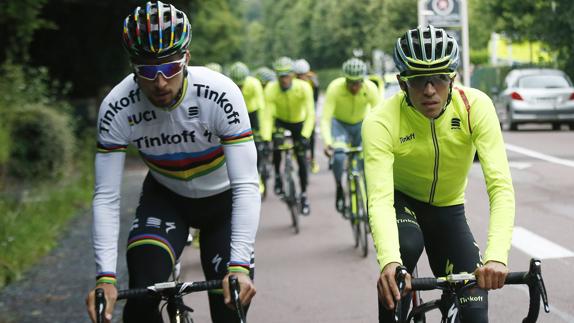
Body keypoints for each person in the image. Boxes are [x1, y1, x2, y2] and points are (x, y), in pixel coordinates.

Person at [85, 2, 260, 323]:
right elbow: (106, 197)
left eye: (171, 67)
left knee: (230, 305)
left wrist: (238, 266)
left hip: (223, 205)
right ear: (133, 68)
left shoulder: (220, 93)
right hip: (166, 200)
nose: (161, 82)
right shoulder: (117, 107)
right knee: (141, 298)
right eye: (147, 71)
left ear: (187, 59)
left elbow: (247, 184)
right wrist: (105, 278)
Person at [362, 25, 515, 322]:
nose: (430, 90)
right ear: (402, 83)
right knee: (404, 247)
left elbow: (500, 187)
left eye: (440, 78)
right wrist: (389, 262)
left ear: (453, 79)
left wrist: (496, 256)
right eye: (419, 80)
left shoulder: (475, 107)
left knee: (474, 313)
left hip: (448, 209)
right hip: (400, 202)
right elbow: (379, 198)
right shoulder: (381, 120)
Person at [321, 58, 379, 212]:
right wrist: (327, 142)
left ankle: (370, 198)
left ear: (363, 80)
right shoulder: (335, 88)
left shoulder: (370, 88)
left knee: (367, 161)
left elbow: (380, 117)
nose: (354, 86)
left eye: (358, 82)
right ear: (345, 79)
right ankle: (339, 187)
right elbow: (326, 118)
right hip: (340, 126)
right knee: (339, 156)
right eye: (350, 82)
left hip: (361, 125)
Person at [262, 56, 315, 215]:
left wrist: (305, 136)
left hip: (299, 123)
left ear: (292, 74)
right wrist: (265, 138)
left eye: (286, 75)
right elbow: (267, 115)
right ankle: (277, 176)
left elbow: (311, 113)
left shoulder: (304, 87)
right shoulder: (271, 88)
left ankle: (304, 195)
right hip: (280, 121)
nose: (283, 80)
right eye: (280, 76)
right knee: (277, 145)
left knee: (300, 158)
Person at [228, 62, 268, 194]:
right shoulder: (228, 84)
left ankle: (259, 177)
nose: (239, 87)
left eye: (241, 85)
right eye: (237, 85)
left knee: (257, 147)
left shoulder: (254, 84)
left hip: (253, 113)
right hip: (238, 114)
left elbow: (262, 108)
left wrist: (263, 132)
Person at [293, 58, 321, 174]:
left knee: (312, 133)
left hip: (309, 106)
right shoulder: (293, 80)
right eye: (299, 76)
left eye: (303, 75)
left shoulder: (313, 80)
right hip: (298, 109)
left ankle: (313, 158)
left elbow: (315, 98)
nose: (301, 78)